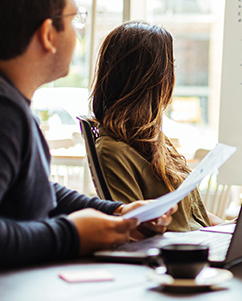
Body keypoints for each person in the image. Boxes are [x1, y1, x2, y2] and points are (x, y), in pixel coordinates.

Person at [0, 0, 175, 273]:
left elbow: (28, 188)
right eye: (74, 19)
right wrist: (73, 235)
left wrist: (114, 213)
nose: (77, 32)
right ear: (47, 34)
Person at [91, 21, 222, 231]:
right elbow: (131, 231)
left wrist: (236, 226)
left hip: (198, 242)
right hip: (175, 255)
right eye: (170, 66)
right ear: (155, 78)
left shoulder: (152, 138)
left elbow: (192, 216)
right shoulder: (112, 151)